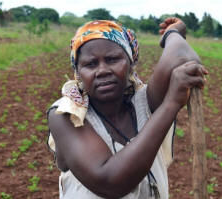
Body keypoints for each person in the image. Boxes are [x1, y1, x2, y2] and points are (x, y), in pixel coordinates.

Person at [47, 18, 207, 199]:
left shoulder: (144, 101)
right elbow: (109, 181)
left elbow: (184, 58)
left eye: (112, 59)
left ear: (131, 63)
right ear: (78, 72)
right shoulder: (67, 114)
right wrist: (170, 104)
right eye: (90, 64)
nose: (102, 70)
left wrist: (173, 33)